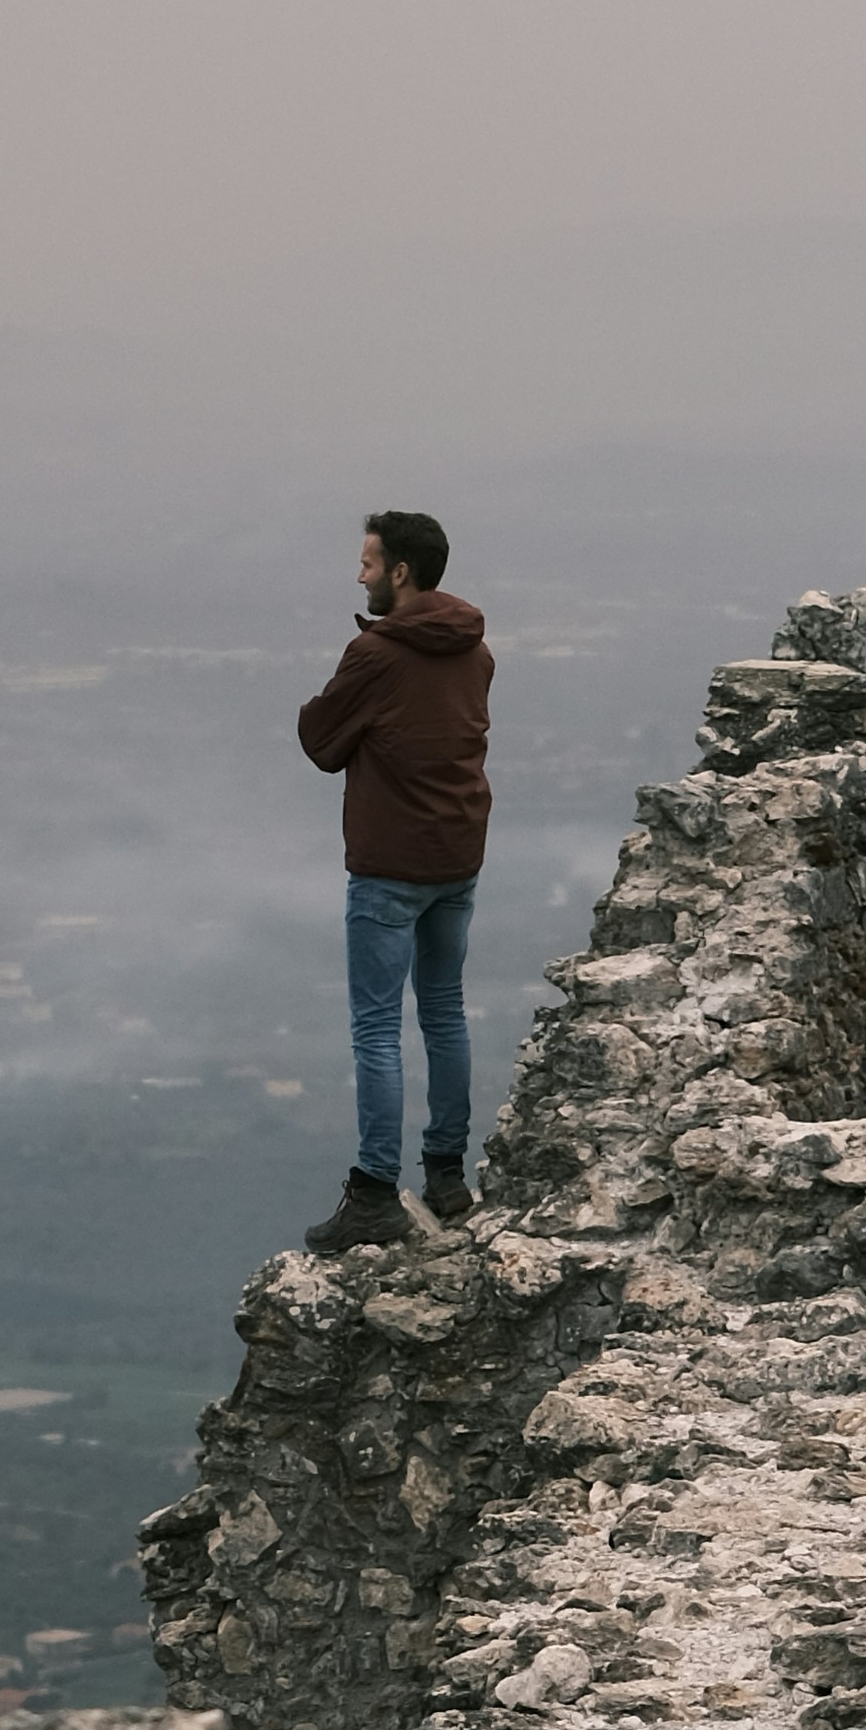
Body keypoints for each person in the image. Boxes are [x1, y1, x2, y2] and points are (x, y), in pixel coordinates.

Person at [293, 508, 492, 1252]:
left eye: (370, 563)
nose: (361, 575)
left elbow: (320, 739)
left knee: (376, 1028)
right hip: (458, 855)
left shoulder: (374, 654)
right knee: (444, 1012)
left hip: (389, 865)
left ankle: (374, 1190)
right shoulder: (475, 651)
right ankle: (447, 1173)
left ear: (401, 572)